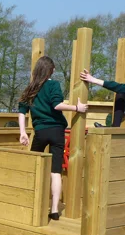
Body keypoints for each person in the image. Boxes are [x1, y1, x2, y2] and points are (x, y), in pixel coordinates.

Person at [18, 56, 88, 221]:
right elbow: (57, 105)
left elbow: (22, 111)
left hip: (40, 131)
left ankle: (32, 202)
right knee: (55, 171)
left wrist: (23, 132)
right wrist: (76, 108)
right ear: (50, 70)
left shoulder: (30, 88)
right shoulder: (53, 85)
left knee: (36, 166)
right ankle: (54, 209)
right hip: (56, 131)